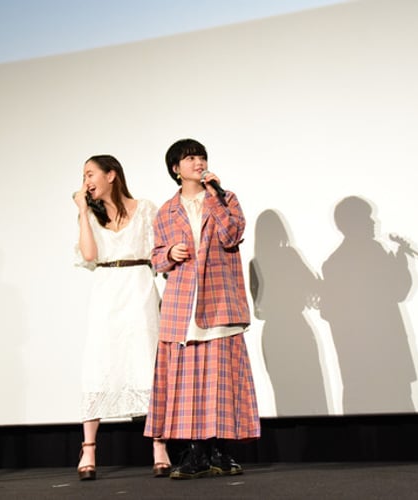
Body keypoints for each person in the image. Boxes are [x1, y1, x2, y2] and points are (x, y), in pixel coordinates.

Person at [143, 138, 260, 480]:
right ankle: (195, 452)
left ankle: (220, 452)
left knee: (220, 379)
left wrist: (215, 195)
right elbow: (156, 258)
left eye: (202, 157)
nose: (199, 162)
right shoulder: (167, 211)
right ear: (176, 169)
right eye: (191, 158)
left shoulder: (225, 198)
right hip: (183, 305)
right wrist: (170, 253)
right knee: (187, 382)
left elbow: (231, 235)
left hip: (220, 300)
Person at [72, 155, 170, 480]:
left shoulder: (145, 209)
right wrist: (82, 211)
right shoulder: (90, 215)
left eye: (90, 174)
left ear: (111, 175)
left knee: (146, 360)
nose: (86, 182)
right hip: (106, 292)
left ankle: (159, 446)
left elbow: (159, 253)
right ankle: (88, 449)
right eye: (84, 176)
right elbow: (89, 255)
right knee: (98, 363)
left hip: (139, 288)